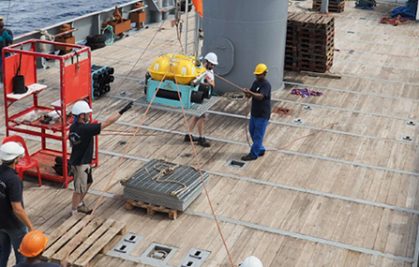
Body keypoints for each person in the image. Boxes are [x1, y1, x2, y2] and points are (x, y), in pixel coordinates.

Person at [69, 100, 133, 215]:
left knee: (88, 183)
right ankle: (74, 211)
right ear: (82, 115)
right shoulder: (85, 129)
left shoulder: (74, 127)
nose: (89, 115)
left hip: (81, 162)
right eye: (87, 114)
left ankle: (79, 204)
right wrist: (122, 111)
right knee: (78, 189)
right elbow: (107, 122)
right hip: (80, 164)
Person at [0, 141, 34, 267]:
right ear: (16, 160)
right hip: (14, 224)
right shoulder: (14, 180)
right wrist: (30, 226)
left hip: (0, 222)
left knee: (2, 251)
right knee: (22, 257)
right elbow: (17, 208)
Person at [184, 52, 218, 148]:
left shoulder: (210, 71)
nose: (213, 66)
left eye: (214, 65)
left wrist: (209, 82)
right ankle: (201, 138)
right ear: (206, 62)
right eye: (211, 64)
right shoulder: (200, 70)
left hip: (204, 95)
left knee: (196, 116)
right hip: (199, 95)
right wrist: (206, 82)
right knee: (202, 117)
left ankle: (188, 135)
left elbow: (213, 84)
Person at [241, 63, 271, 161]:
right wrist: (247, 93)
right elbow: (250, 95)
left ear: (264, 74)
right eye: (256, 74)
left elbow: (260, 96)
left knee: (258, 135)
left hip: (262, 115)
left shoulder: (266, 85)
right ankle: (260, 149)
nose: (257, 76)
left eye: (259, 74)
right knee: (252, 131)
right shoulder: (255, 83)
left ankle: (253, 154)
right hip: (254, 113)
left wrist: (250, 93)